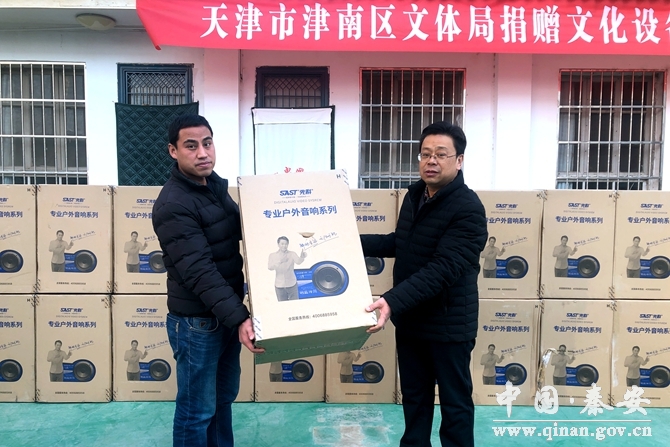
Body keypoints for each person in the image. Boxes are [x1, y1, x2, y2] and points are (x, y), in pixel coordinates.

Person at [361, 121, 487, 447]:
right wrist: (349, 242)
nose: (431, 161)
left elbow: (443, 268)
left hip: (448, 325)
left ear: (459, 160)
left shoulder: (468, 209)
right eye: (426, 154)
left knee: (454, 404)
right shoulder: (415, 195)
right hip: (412, 322)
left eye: (441, 154)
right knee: (415, 399)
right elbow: (402, 243)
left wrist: (391, 300)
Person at [152, 114, 263, 447]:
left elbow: (246, 227)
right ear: (173, 151)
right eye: (191, 146)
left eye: (207, 143)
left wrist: (282, 195)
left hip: (225, 316)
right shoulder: (174, 204)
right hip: (197, 324)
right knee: (196, 412)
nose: (202, 153)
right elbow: (199, 271)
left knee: (222, 399)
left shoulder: (212, 187)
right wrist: (239, 317)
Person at [267, 236, 307, 301]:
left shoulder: (292, 254)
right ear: (278, 244)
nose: (284, 246)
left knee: (295, 304)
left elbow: (298, 262)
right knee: (282, 305)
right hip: (279, 285)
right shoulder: (272, 255)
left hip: (292, 284)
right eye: (282, 244)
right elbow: (270, 267)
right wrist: (280, 261)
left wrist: (302, 257)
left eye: (286, 244)